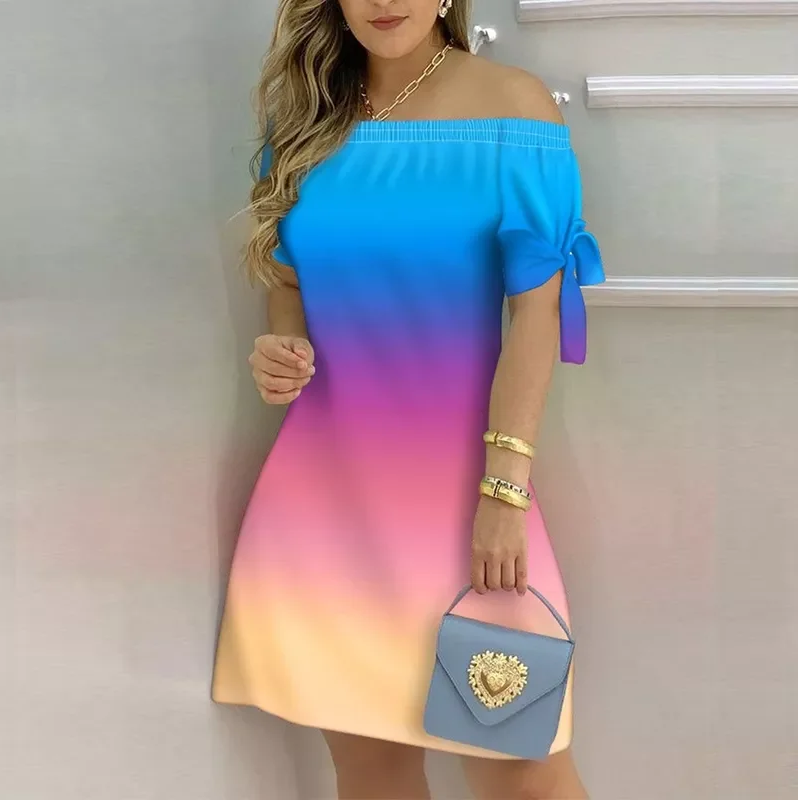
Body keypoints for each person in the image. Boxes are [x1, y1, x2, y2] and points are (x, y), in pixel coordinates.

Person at [212, 1, 605, 798]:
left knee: (523, 770)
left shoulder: (514, 108)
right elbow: (288, 281)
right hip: (324, 501)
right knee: (371, 767)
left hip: (466, 500)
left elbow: (535, 315)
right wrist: (281, 347)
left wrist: (504, 491)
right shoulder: (307, 119)